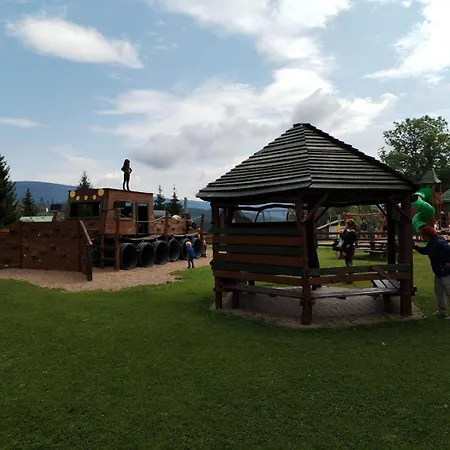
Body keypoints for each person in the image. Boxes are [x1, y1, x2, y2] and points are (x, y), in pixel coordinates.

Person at [414, 226, 450, 318]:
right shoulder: (432, 242)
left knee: (448, 292)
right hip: (438, 272)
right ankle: (442, 311)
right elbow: (425, 251)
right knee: (439, 292)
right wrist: (415, 247)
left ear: (427, 235)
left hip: (446, 273)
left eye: (423, 235)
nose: (422, 237)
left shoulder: (439, 243)